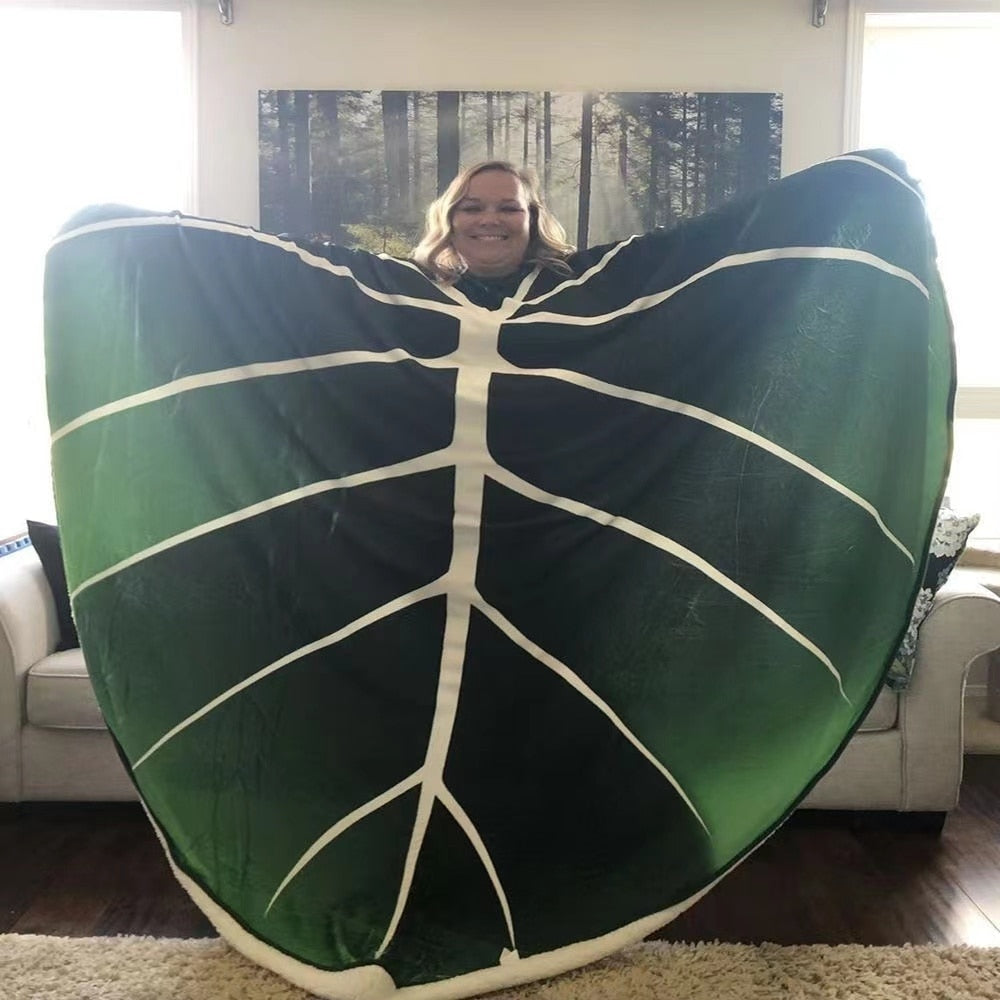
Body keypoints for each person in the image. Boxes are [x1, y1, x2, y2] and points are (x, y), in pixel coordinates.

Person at [412, 161, 575, 308]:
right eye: (472, 209)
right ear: (448, 220)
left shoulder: (574, 289)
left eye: (509, 209)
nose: (489, 220)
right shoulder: (411, 292)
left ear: (533, 219)